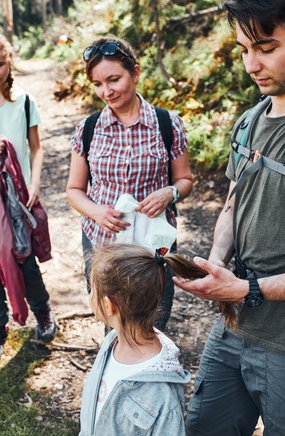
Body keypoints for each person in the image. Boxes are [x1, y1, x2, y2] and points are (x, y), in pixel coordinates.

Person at [173, 0, 285, 436]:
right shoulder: (249, 122)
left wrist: (249, 289)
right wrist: (215, 262)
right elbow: (232, 204)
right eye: (245, 49)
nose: (251, 64)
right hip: (233, 329)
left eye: (267, 49)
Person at [66, 36, 193, 330]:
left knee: (154, 315)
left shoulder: (167, 124)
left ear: (135, 73)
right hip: (102, 240)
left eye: (114, 79)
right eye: (98, 84)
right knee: (113, 316)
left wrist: (170, 192)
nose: (106, 91)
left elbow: (185, 180)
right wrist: (97, 212)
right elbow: (74, 190)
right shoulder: (88, 129)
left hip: (155, 242)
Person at [78, 243, 191, 435]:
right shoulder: (111, 343)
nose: (90, 296)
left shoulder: (164, 395)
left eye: (92, 290)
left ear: (108, 305)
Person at [0, 35, 56, 355]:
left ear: (10, 62)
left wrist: (34, 184)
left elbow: (36, 149)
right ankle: (0, 324)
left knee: (24, 259)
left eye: (0, 63)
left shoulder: (23, 101)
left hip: (18, 196)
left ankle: (42, 312)